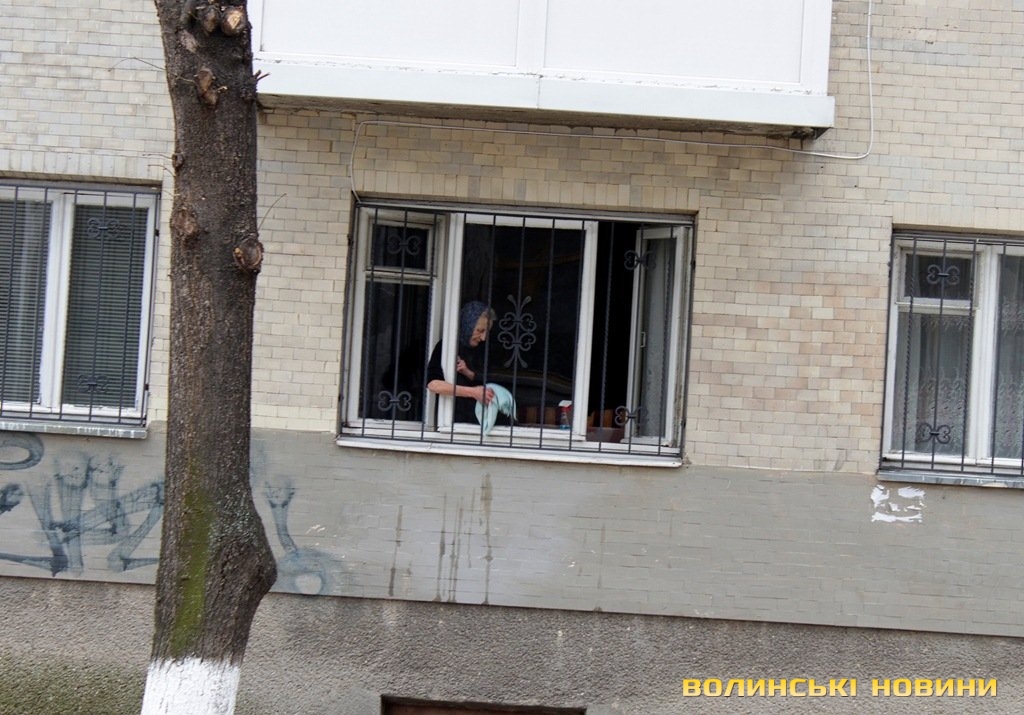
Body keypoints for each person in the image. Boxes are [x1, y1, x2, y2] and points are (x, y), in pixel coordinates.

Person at [426, 301, 497, 423]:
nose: (483, 338)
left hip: (483, 422)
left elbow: (492, 381)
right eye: (480, 330)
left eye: (487, 332)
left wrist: (469, 373)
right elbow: (433, 384)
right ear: (467, 325)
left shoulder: (484, 350)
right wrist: (473, 392)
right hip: (453, 421)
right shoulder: (447, 346)